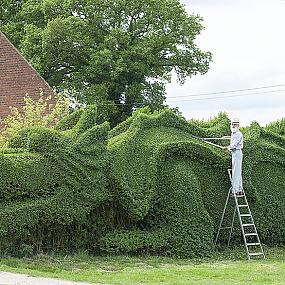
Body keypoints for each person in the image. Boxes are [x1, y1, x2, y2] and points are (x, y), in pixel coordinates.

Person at [227, 118, 244, 196]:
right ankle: (240, 189)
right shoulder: (233, 133)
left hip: (237, 153)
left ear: (238, 125)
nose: (233, 125)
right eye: (232, 124)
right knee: (238, 171)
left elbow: (234, 145)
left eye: (235, 124)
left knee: (235, 172)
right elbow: (233, 141)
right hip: (235, 153)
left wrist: (228, 147)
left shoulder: (238, 134)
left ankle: (235, 191)